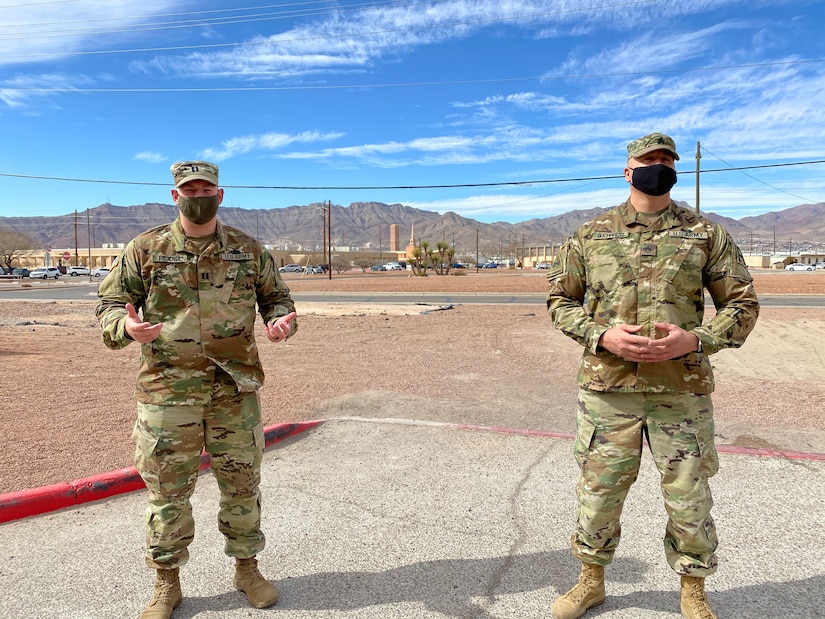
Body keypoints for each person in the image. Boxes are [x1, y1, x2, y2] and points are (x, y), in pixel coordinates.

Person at [546, 133, 759, 619]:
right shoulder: (589, 235)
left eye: (666, 160)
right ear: (627, 170)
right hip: (609, 391)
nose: (657, 166)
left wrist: (695, 339)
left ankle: (693, 590)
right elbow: (560, 302)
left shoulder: (705, 234)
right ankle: (591, 582)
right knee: (599, 493)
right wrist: (602, 335)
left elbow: (742, 305)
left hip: (679, 391)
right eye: (648, 160)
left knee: (689, 496)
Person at [96, 160, 298, 619]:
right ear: (175, 196)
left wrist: (281, 321)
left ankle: (247, 570)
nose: (198, 194)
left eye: (206, 186)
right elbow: (109, 305)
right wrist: (125, 328)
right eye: (190, 188)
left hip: (234, 391)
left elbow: (277, 299)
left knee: (242, 486)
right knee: (167, 494)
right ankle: (167, 582)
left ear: (220, 195)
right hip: (169, 393)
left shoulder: (248, 250)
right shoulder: (146, 248)